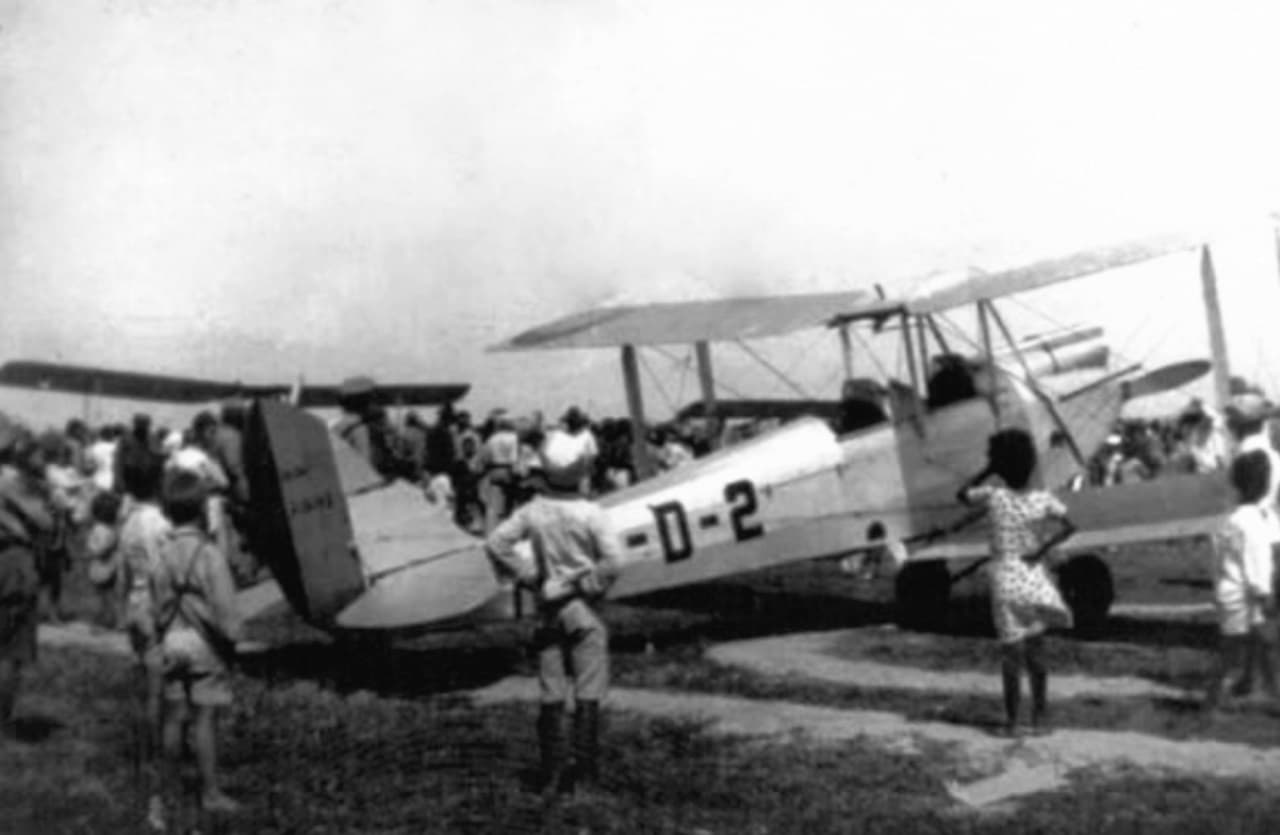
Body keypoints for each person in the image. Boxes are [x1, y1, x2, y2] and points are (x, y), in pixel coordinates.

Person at [485, 439, 623, 797]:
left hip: (548, 611)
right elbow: (614, 561)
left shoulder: (533, 510)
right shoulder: (591, 513)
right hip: (582, 608)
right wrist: (589, 584)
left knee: (551, 695)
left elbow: (497, 543)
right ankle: (584, 778)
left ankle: (550, 775)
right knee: (589, 694)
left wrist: (532, 577)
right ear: (580, 473)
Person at [959, 428, 1075, 736]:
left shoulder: (993, 497)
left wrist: (989, 469)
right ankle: (1040, 717)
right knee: (1037, 651)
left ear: (1000, 465)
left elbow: (962, 494)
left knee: (1011, 656)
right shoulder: (1042, 499)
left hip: (1003, 579)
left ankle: (1012, 722)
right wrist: (1043, 548)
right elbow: (1070, 526)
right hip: (1032, 576)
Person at [152, 469, 244, 816]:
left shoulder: (162, 552)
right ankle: (211, 792)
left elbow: (157, 603)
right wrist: (233, 636)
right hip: (204, 644)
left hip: (173, 638)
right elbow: (225, 610)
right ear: (203, 509)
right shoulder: (208, 554)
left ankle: (169, 790)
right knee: (205, 718)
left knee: (174, 717)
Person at [117, 450, 172, 830]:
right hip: (153, 605)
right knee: (159, 689)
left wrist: (123, 609)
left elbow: (125, 570)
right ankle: (154, 758)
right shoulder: (157, 521)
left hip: (134, 603)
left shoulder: (129, 520)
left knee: (145, 681)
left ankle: (142, 749)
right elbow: (162, 569)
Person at [1205, 450, 1278, 711]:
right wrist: (1264, 594)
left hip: (1232, 592)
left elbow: (1216, 559)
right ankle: (1211, 701)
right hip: (1244, 596)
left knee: (1263, 644)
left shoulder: (1232, 519)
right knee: (1232, 651)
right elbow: (1255, 564)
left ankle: (1271, 692)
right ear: (1264, 484)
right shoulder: (1252, 524)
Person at [0, 422, 55, 734]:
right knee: (10, 648)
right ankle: (2, 720)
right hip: (11, 561)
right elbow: (44, 522)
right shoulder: (10, 482)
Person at [85, 490, 124, 630]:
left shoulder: (108, 529)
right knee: (105, 598)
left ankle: (112, 620)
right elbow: (96, 550)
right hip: (102, 569)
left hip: (110, 568)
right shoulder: (99, 530)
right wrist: (110, 545)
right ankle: (102, 621)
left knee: (111, 597)